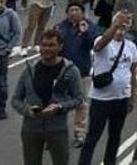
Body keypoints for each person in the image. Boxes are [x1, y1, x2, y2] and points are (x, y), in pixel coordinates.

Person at [11, 28, 83, 165]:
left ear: (60, 47)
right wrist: (28, 110)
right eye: (43, 45)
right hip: (31, 128)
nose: (46, 49)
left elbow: (79, 98)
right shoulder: (29, 70)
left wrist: (60, 107)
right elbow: (15, 100)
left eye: (51, 45)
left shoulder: (71, 71)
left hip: (57, 128)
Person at [78, 10, 137, 165]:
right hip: (101, 99)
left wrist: (131, 97)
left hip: (121, 98)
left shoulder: (131, 46)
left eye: (126, 22)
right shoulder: (103, 40)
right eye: (119, 22)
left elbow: (132, 73)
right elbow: (99, 46)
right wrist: (115, 25)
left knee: (115, 136)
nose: (122, 26)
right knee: (93, 136)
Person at [55, 1, 99, 147]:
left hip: (82, 71)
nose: (74, 13)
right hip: (61, 71)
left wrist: (85, 32)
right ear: (67, 13)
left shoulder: (89, 26)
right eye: (71, 10)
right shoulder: (60, 27)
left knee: (81, 104)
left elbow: (95, 44)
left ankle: (80, 134)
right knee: (58, 103)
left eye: (77, 10)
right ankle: (57, 133)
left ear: (82, 12)